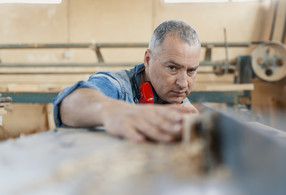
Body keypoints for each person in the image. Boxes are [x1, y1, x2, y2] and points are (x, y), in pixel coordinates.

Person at [53, 20, 201, 143]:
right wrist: (112, 111)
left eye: (191, 71)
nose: (183, 83)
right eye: (172, 68)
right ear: (148, 59)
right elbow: (68, 103)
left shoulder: (181, 101)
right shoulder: (117, 86)